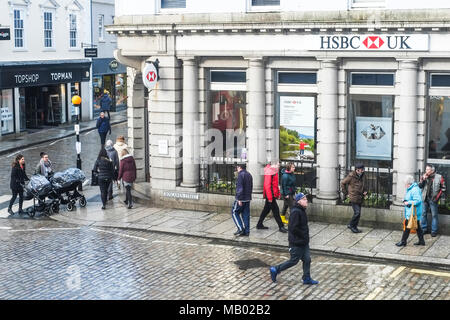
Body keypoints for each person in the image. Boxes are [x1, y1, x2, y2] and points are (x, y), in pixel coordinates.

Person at [269, 193, 319, 285]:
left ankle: (306, 278)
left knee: (307, 259)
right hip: (297, 242)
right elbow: (293, 228)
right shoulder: (296, 212)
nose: (306, 200)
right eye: (304, 199)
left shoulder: (302, 210)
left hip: (304, 242)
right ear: (299, 201)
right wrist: (303, 235)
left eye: (306, 199)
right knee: (293, 261)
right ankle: (275, 269)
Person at [256, 160, 288, 233]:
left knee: (266, 210)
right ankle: (281, 226)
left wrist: (278, 193)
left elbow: (275, 185)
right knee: (276, 211)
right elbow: (267, 185)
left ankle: (259, 224)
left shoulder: (273, 171)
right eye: (278, 165)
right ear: (273, 165)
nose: (279, 166)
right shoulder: (270, 171)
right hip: (270, 195)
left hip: (271, 194)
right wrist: (270, 197)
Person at [396, 175, 425, 247]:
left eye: (405, 184)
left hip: (413, 213)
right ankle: (422, 241)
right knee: (417, 226)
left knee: (407, 226)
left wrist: (407, 202)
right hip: (412, 212)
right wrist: (406, 200)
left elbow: (418, 201)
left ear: (409, 183)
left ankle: (403, 241)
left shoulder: (414, 189)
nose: (405, 185)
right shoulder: (411, 188)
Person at [419, 164, 446, 237]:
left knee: (434, 215)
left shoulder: (439, 177)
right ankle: (424, 229)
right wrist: (423, 179)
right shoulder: (424, 176)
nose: (426, 171)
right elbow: (420, 186)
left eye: (428, 169)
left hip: (433, 199)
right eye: (426, 169)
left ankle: (434, 231)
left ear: (432, 170)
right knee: (423, 214)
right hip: (425, 198)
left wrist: (437, 197)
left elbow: (443, 188)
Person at [341, 163, 368, 233]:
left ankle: (354, 226)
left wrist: (365, 191)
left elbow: (365, 184)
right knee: (357, 213)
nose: (363, 171)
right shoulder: (351, 176)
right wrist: (346, 193)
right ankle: (351, 225)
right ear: (357, 170)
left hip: (360, 197)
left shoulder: (363, 175)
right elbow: (343, 183)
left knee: (358, 213)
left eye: (363, 169)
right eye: (361, 170)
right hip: (353, 197)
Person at [231, 163, 253, 237]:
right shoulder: (249, 174)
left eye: (237, 167)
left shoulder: (241, 175)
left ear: (239, 167)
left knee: (234, 212)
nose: (236, 169)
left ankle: (240, 229)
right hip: (247, 198)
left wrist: (239, 199)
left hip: (241, 199)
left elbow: (239, 188)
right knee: (246, 215)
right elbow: (251, 187)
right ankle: (247, 231)